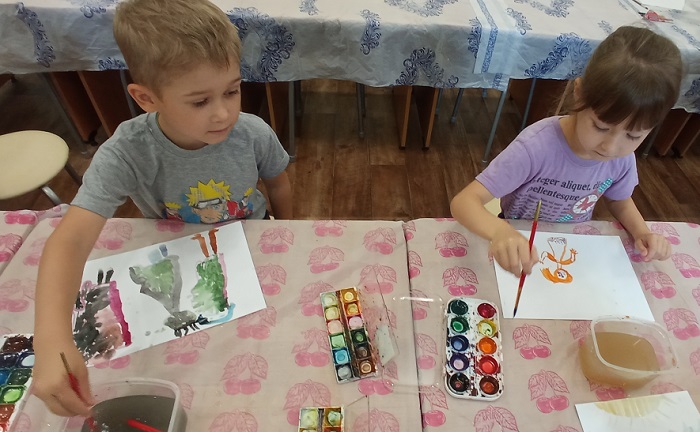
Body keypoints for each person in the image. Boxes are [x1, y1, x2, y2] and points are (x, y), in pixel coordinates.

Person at [33, 0, 292, 417]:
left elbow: (278, 182)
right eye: (199, 101)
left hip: (253, 244)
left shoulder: (252, 132)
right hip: (177, 262)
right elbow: (70, 240)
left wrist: (286, 229)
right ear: (146, 98)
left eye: (232, 90)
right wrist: (50, 343)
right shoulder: (127, 152)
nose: (224, 112)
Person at [450, 26, 682, 278]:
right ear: (579, 92)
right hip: (520, 243)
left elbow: (619, 200)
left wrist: (641, 232)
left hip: (573, 245)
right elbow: (464, 202)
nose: (610, 147)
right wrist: (500, 231)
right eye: (601, 127)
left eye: (633, 136)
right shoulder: (536, 147)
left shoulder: (621, 158)